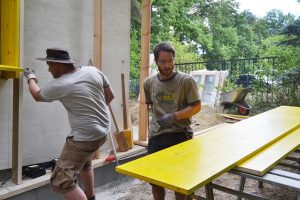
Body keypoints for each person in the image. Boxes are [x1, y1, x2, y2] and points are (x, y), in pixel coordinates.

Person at [23, 48, 114, 200]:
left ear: (57, 64)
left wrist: (30, 77)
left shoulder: (62, 84)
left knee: (61, 180)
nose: (49, 69)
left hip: (84, 138)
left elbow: (37, 95)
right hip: (103, 131)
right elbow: (110, 96)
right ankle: (91, 196)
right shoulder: (93, 71)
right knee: (85, 164)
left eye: (49, 65)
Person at [143, 42, 201, 200]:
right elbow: (151, 109)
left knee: (180, 181)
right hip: (157, 136)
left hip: (180, 134)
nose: (167, 65)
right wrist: (151, 137)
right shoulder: (148, 83)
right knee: (155, 180)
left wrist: (174, 116)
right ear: (156, 61)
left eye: (170, 60)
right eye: (163, 61)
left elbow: (196, 107)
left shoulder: (186, 81)